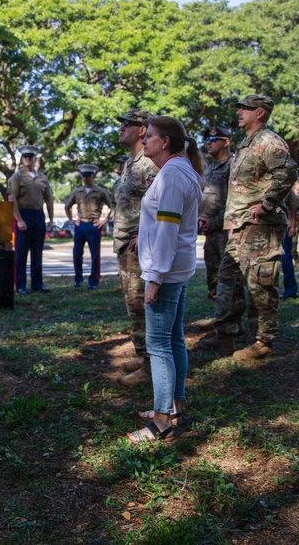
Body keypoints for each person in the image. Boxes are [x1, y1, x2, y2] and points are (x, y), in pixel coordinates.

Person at [126, 116, 203, 444]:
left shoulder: (172, 174)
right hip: (177, 267)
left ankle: (161, 423)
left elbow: (168, 228)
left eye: (151, 136)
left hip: (167, 271)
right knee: (173, 340)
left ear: (166, 142)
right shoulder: (183, 170)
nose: (145, 141)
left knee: (159, 345)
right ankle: (173, 408)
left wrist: (154, 278)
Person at [208, 94, 297, 361]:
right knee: (227, 280)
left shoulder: (268, 142)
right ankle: (227, 332)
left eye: (245, 108)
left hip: (260, 227)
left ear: (260, 113)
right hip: (239, 227)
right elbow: (239, 192)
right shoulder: (245, 147)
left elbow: (288, 172)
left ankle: (264, 342)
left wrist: (267, 205)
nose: (239, 112)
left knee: (260, 283)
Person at [111, 109, 158, 387]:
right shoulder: (131, 163)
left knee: (142, 303)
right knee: (133, 302)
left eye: (126, 124)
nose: (121, 128)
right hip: (126, 245)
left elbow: (159, 203)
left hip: (139, 246)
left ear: (142, 130)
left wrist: (144, 231)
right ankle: (144, 356)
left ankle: (152, 366)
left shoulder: (149, 164)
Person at [8, 145, 55, 294]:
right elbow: (11, 198)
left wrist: (51, 219)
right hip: (23, 213)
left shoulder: (42, 178)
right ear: (22, 159)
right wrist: (19, 219)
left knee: (37, 251)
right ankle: (20, 285)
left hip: (38, 215)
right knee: (21, 252)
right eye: (25, 157)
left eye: (30, 157)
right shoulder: (17, 177)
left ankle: (37, 284)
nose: (28, 159)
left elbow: (49, 199)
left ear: (35, 159)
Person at [64, 164, 113, 289]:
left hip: (94, 225)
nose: (86, 178)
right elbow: (67, 206)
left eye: (88, 176)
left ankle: (93, 282)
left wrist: (104, 220)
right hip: (80, 225)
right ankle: (78, 279)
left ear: (93, 176)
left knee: (95, 254)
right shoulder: (77, 192)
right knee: (77, 253)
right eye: (84, 176)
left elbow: (113, 206)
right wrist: (71, 220)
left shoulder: (100, 191)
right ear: (81, 176)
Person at [198, 126, 232, 301]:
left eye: (213, 140)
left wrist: (215, 222)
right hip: (210, 231)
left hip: (227, 231)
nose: (208, 143)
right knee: (213, 278)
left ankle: (231, 321)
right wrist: (202, 219)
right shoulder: (210, 167)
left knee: (229, 279)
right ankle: (219, 318)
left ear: (226, 142)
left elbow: (233, 202)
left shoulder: (233, 166)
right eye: (207, 140)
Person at [279, 188, 299, 300]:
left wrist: (293, 225)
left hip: (283, 226)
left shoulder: (284, 183)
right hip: (263, 228)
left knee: (286, 258)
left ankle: (290, 290)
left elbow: (293, 206)